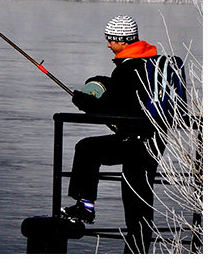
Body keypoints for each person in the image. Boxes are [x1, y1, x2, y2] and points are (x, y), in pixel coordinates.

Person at [62, 15, 164, 254]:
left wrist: (84, 102)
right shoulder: (150, 61)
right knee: (139, 204)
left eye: (110, 40)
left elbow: (117, 109)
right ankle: (137, 251)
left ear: (122, 40)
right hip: (155, 139)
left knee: (87, 149)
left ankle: (85, 206)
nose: (108, 44)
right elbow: (129, 98)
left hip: (136, 142)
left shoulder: (129, 68)